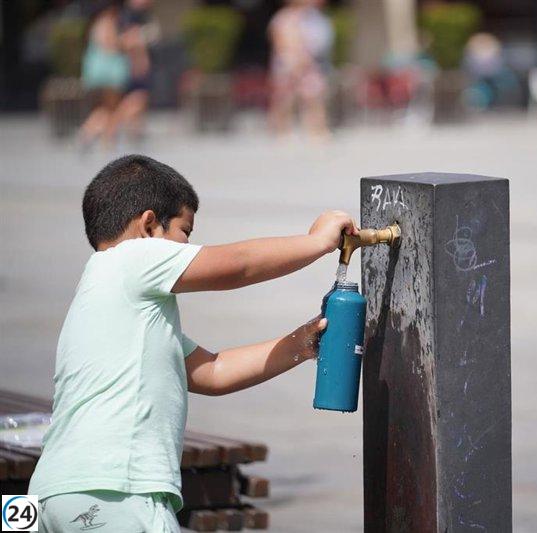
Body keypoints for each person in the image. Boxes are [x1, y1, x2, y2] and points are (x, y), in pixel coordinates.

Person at [28, 155, 358, 531]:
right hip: (116, 490)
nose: (190, 245)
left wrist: (301, 344)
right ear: (148, 226)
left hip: (48, 494)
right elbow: (237, 265)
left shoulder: (114, 304)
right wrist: (316, 243)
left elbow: (213, 371)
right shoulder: (132, 257)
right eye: (185, 232)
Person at [268, 0, 333, 139]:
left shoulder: (312, 18)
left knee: (314, 97)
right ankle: (281, 131)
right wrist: (294, 60)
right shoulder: (283, 18)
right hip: (288, 63)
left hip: (308, 63)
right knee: (285, 99)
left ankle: (317, 130)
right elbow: (280, 42)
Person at [78, 1, 129, 149]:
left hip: (96, 76)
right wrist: (127, 40)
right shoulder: (106, 23)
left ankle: (102, 138)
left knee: (107, 110)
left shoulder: (95, 24)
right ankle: (90, 134)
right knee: (111, 109)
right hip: (108, 76)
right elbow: (110, 44)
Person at [114, 0, 158, 143]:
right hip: (135, 66)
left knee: (140, 100)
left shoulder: (143, 15)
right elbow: (127, 41)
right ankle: (109, 125)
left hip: (140, 66)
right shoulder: (128, 15)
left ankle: (134, 131)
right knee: (137, 99)